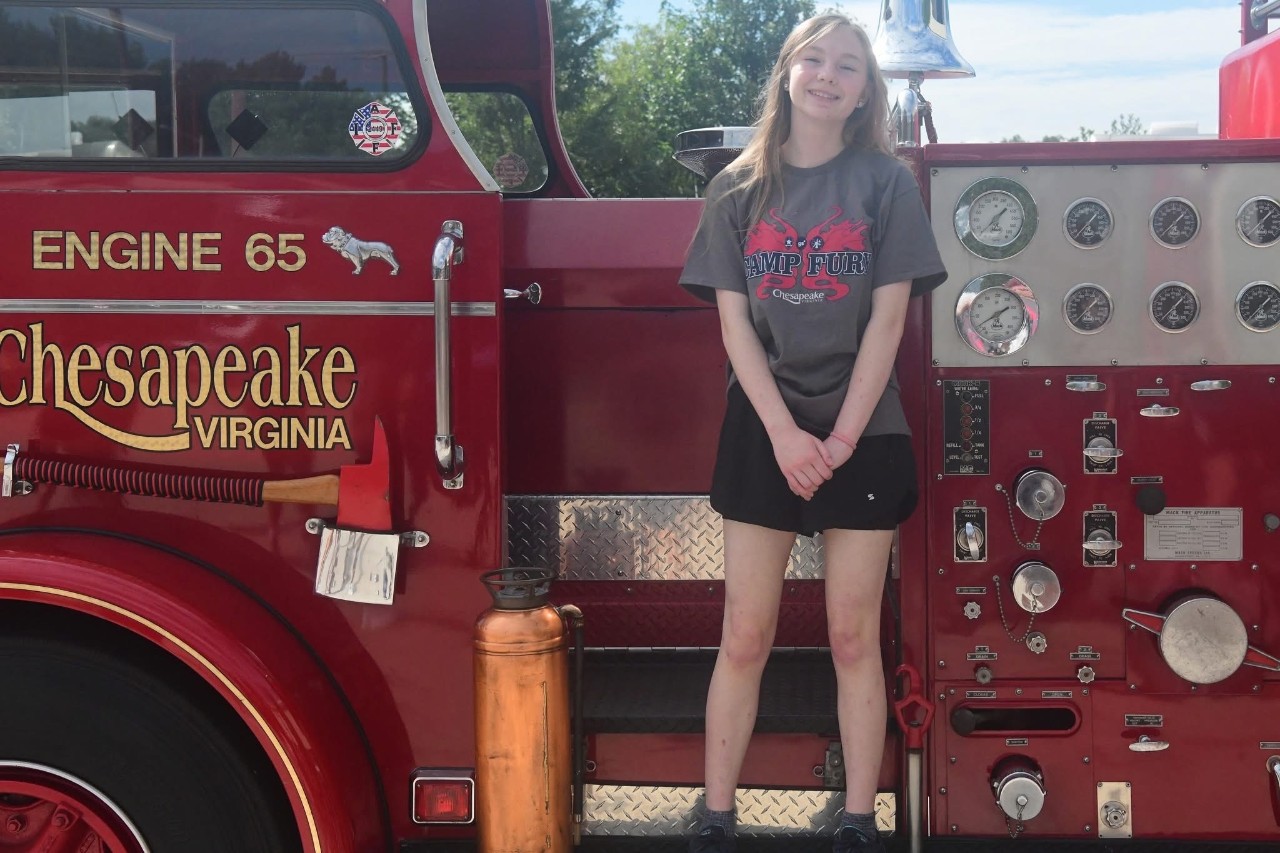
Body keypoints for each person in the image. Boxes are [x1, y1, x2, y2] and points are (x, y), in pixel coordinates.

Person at [677, 12, 947, 853]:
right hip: (766, 428)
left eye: (850, 67)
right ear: (787, 73)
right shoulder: (736, 188)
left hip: (865, 431)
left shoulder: (885, 183)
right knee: (746, 633)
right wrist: (789, 436)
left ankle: (859, 818)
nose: (830, 76)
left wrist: (837, 439)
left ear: (866, 91)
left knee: (850, 636)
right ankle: (716, 814)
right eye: (816, 60)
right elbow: (734, 332)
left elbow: (889, 321)